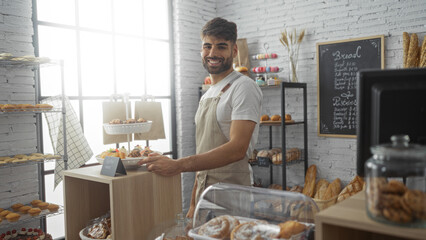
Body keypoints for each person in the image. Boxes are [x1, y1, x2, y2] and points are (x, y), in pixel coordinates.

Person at [138, 17, 262, 218]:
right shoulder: (207, 95)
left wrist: (178, 165)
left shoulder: (244, 87)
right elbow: (203, 152)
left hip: (232, 198)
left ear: (234, 51)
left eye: (221, 47)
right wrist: (193, 204)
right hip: (205, 198)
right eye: (207, 46)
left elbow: (238, 149)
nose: (212, 53)